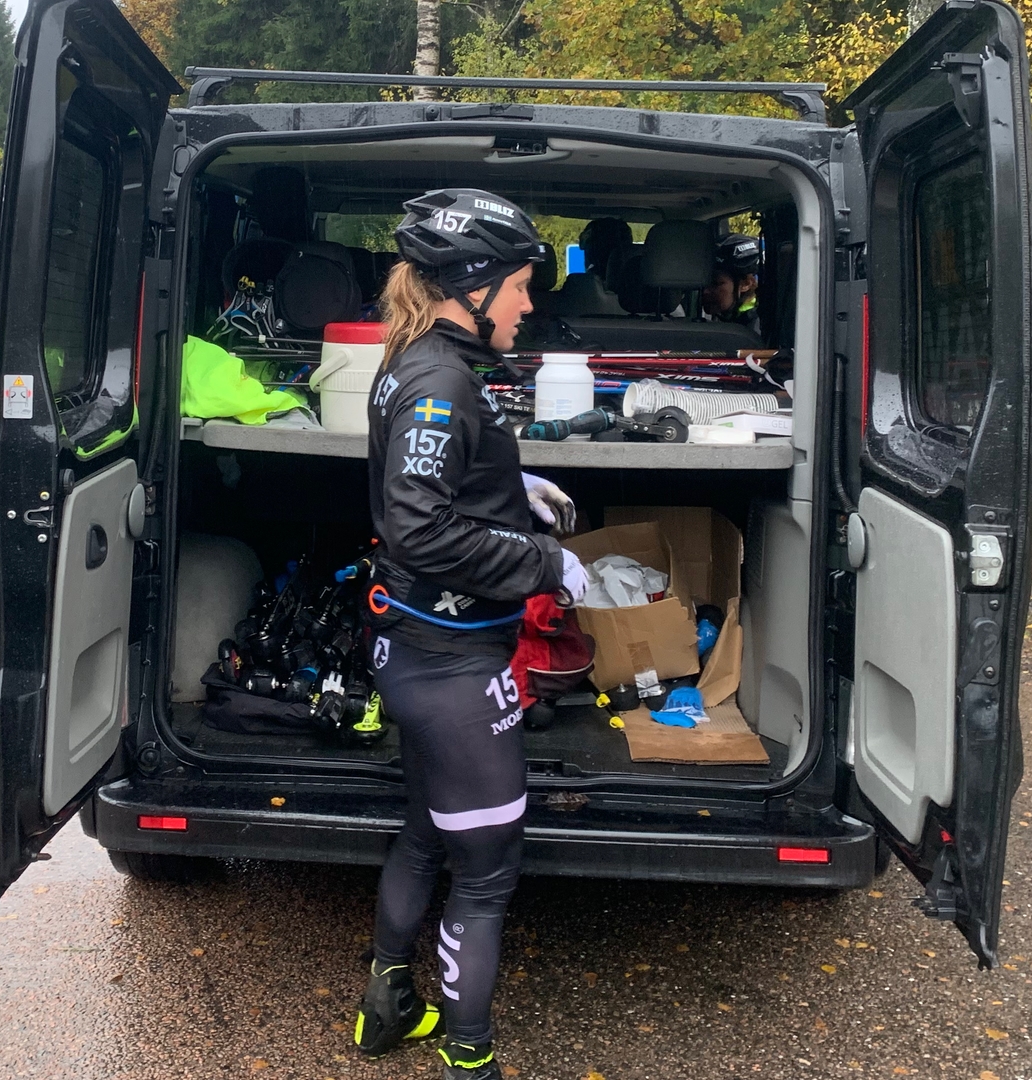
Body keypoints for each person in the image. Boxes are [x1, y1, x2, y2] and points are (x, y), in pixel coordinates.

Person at [352, 189, 592, 1080]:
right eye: (520, 286)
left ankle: (385, 1009)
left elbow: (428, 486)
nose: (528, 305)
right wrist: (544, 563)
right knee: (486, 875)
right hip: (452, 667)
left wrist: (508, 488)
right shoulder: (441, 381)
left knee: (424, 832)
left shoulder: (419, 359)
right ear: (473, 286)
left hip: (415, 652)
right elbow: (419, 529)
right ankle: (470, 1061)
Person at [702, 232, 762, 333]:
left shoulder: (756, 327)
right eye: (703, 282)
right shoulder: (726, 317)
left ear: (746, 284)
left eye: (715, 283)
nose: (705, 291)